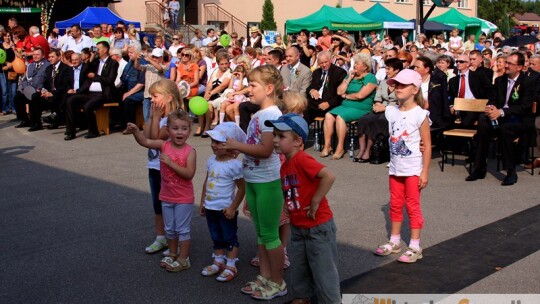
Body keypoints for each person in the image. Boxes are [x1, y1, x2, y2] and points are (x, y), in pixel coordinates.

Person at [222, 65, 287, 301]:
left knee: (270, 235)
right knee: (261, 233)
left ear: (269, 88)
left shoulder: (271, 115)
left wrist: (236, 146)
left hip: (268, 182)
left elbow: (267, 150)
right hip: (254, 180)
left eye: (253, 85)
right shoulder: (261, 114)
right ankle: (265, 276)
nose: (249, 90)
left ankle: (278, 282)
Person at [265, 113, 340, 304]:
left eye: (281, 136)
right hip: (298, 226)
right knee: (299, 267)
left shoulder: (302, 159)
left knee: (324, 273)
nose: (275, 140)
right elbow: (289, 189)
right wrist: (286, 206)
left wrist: (316, 200)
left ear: (298, 141)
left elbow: (328, 176)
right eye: (274, 135)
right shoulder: (285, 166)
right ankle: (301, 297)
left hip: (317, 227)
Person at [127, 108, 196, 272]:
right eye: (175, 128)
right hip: (166, 196)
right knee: (170, 229)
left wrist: (171, 163)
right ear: (168, 130)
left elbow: (189, 174)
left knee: (182, 229)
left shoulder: (190, 151)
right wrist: (136, 131)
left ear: (189, 131)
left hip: (183, 198)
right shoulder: (163, 145)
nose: (180, 132)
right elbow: (146, 142)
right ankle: (172, 253)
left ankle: (183, 259)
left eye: (184, 128)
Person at [374, 69, 431, 264]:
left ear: (415, 89)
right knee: (395, 204)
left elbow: (427, 145)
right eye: (396, 84)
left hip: (413, 169)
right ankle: (395, 240)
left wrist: (425, 172)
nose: (398, 88)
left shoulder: (420, 114)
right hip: (395, 168)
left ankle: (415, 245)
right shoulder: (391, 112)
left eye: (403, 85)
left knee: (413, 206)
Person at [466, 52, 540, 185]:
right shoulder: (500, 80)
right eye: (506, 62)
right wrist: (491, 108)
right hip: (500, 116)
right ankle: (480, 167)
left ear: (520, 67)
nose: (506, 66)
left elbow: (525, 106)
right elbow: (493, 98)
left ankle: (511, 171)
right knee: (483, 123)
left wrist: (502, 112)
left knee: (505, 128)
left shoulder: (528, 81)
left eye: (510, 63)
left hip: (519, 119)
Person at [199, 122, 246, 282]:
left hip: (226, 209)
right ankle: (218, 261)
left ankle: (231, 265)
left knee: (229, 236)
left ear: (231, 145)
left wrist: (233, 207)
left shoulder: (235, 165)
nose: (214, 145)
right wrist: (202, 202)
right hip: (211, 207)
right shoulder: (211, 160)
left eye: (219, 142)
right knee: (216, 235)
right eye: (213, 141)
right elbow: (207, 181)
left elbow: (242, 188)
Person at [320, 52, 378, 160]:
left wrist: (346, 95)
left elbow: (361, 95)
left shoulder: (370, 78)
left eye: (357, 63)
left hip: (361, 107)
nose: (354, 65)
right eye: (354, 63)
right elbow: (339, 91)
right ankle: (327, 146)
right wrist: (349, 79)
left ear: (365, 66)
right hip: (345, 106)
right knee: (328, 115)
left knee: (340, 117)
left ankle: (340, 147)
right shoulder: (350, 76)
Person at [64, 41, 119, 139]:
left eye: (98, 49)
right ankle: (70, 131)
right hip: (90, 92)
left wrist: (95, 76)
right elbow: (85, 71)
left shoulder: (112, 63)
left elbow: (110, 80)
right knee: (70, 100)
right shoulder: (96, 61)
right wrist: (91, 58)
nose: (96, 51)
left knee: (87, 106)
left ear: (105, 50)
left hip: (102, 93)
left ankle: (93, 131)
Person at [354, 58, 403, 162]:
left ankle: (369, 151)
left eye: (388, 68)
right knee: (363, 119)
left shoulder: (402, 84)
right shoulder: (384, 82)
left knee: (379, 121)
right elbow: (377, 97)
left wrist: (385, 108)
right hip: (380, 108)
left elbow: (401, 103)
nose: (386, 71)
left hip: (394, 110)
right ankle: (362, 150)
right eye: (386, 68)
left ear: (397, 70)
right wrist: (377, 105)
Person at [448, 54, 493, 128]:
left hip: (474, 108)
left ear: (468, 64)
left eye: (461, 61)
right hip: (458, 108)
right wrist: (451, 105)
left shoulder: (479, 76)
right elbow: (451, 96)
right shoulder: (453, 80)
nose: (458, 63)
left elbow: (489, 91)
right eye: (457, 61)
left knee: (467, 120)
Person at [305, 51, 347, 125]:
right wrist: (312, 90)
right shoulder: (316, 72)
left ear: (330, 60)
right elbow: (310, 86)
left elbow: (340, 94)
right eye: (321, 63)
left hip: (331, 103)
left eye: (326, 62)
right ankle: (303, 132)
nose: (324, 65)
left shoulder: (339, 72)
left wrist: (329, 103)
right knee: (303, 105)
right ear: (318, 63)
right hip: (316, 102)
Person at [14, 48, 51, 130]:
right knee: (18, 97)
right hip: (29, 89)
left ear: (43, 55)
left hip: (40, 91)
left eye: (37, 54)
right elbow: (24, 79)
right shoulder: (30, 65)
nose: (35, 56)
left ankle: (36, 123)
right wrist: (25, 88)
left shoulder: (47, 65)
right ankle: (25, 120)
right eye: (34, 54)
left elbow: (47, 81)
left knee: (34, 97)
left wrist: (41, 89)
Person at [203, 52, 232, 132]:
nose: (224, 66)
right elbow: (209, 84)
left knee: (208, 104)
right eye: (222, 64)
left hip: (222, 96)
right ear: (218, 64)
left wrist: (210, 94)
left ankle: (207, 127)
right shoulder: (215, 71)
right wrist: (206, 94)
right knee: (203, 103)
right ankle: (202, 126)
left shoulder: (230, 72)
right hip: (212, 95)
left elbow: (222, 86)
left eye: (226, 63)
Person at [120, 44, 146, 133]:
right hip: (127, 88)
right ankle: (119, 122)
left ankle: (130, 126)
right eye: (128, 52)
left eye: (131, 52)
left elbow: (141, 84)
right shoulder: (129, 64)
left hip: (140, 91)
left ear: (138, 53)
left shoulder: (143, 63)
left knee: (128, 100)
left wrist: (128, 93)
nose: (129, 54)